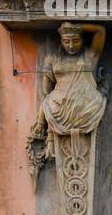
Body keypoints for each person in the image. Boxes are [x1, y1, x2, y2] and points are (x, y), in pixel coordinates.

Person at [27, 22, 107, 179]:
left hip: (87, 107)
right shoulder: (52, 59)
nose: (71, 45)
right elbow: (45, 90)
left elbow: (100, 31)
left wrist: (77, 25)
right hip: (58, 109)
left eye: (75, 40)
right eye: (66, 41)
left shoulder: (89, 56)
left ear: (82, 40)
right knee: (47, 101)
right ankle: (43, 130)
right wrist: (48, 128)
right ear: (61, 41)